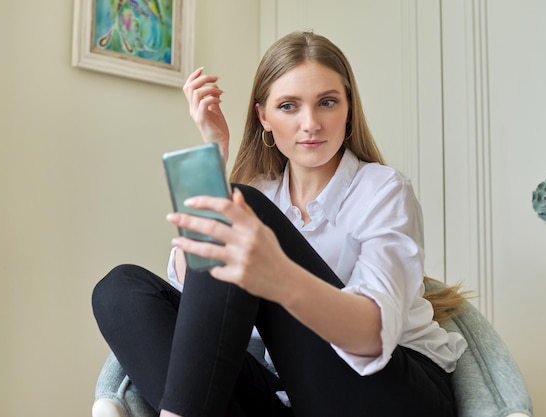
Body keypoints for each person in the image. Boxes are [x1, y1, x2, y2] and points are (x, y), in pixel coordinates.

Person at [92, 31, 468, 417]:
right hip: (290, 396)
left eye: (327, 102)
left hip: (392, 391)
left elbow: (372, 337)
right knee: (120, 290)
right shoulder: (259, 193)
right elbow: (197, 296)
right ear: (264, 117)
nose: (311, 124)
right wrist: (213, 159)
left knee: (242, 211)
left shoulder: (383, 189)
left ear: (349, 110)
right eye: (289, 106)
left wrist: (278, 275)